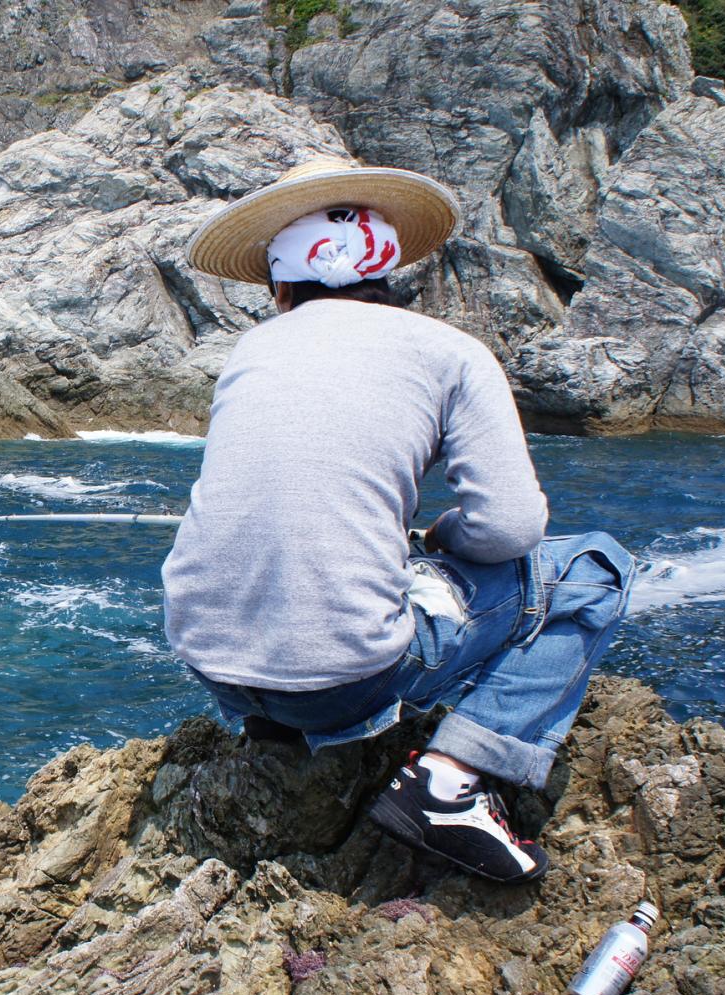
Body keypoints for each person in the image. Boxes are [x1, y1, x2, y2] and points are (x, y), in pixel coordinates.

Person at [162, 157, 635, 884]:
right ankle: (450, 781)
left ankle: (277, 730)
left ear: (280, 285)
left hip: (215, 667)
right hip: (340, 678)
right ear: (387, 274)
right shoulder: (447, 351)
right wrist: (445, 537)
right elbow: (512, 527)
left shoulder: (250, 352)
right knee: (591, 570)